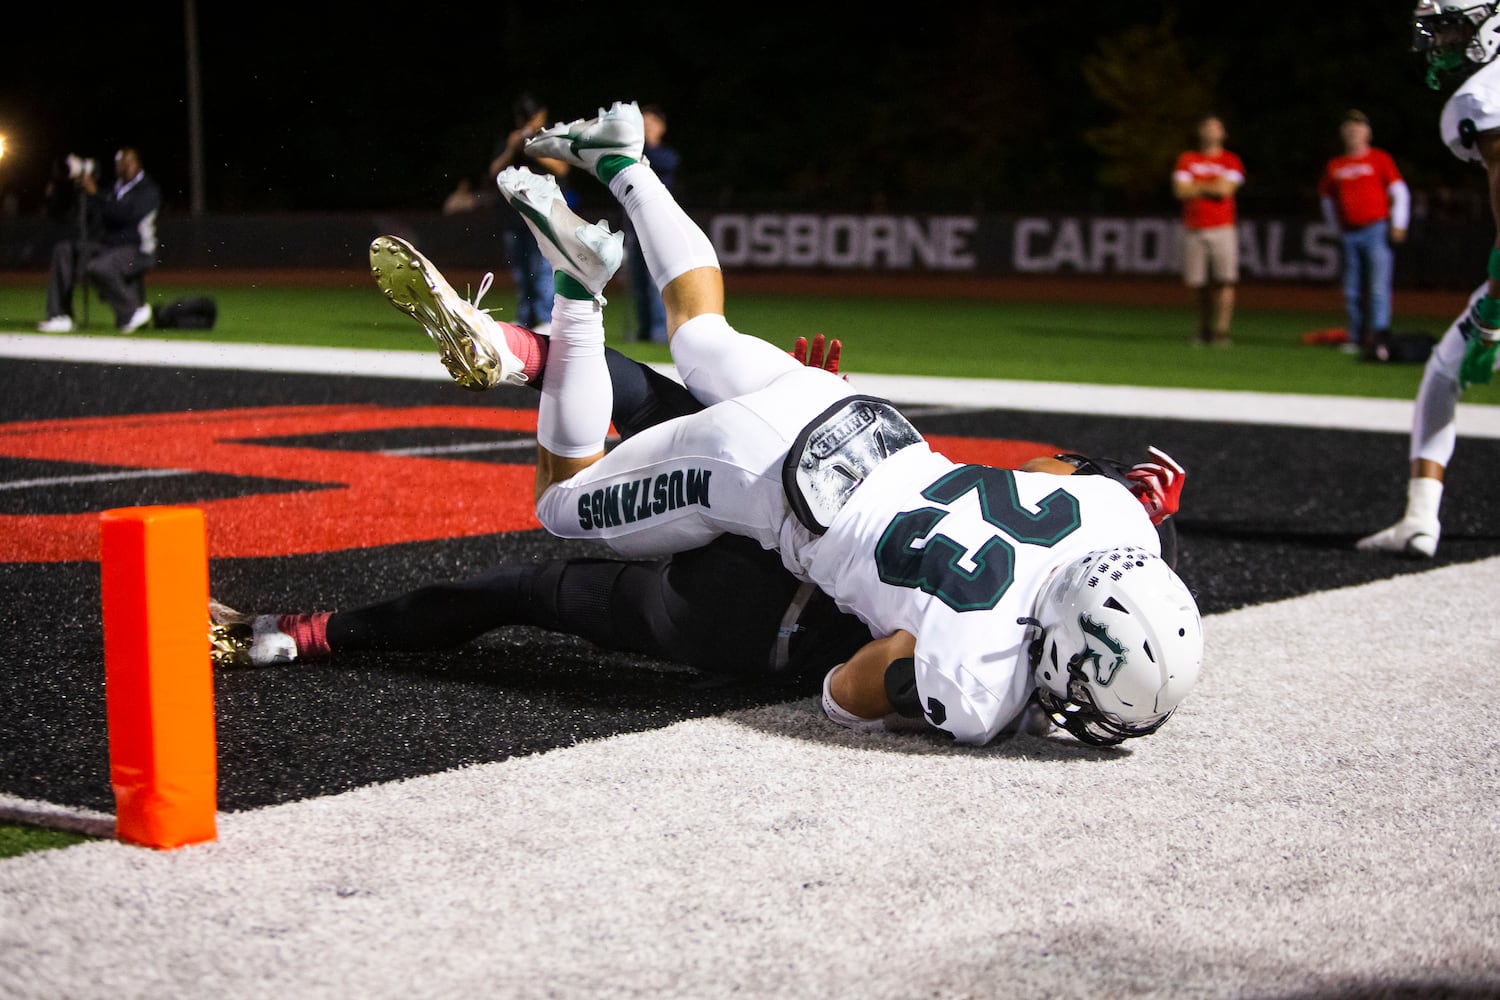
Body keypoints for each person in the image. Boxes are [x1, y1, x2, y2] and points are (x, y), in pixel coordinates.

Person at [365, 100, 1203, 748]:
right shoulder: (977, 680)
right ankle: (579, 293)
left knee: (701, 334)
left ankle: (625, 161)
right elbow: (845, 695)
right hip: (776, 479)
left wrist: (1129, 499)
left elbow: (1057, 466)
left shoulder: (1112, 513)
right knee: (560, 503)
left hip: (864, 423)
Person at [1357, 1, 1500, 558]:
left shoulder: (1482, 97)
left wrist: (1493, 309)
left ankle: (1420, 520)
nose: (1436, 41)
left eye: (1447, 27)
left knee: (1443, 374)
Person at [1318, 109, 1411, 358]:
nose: (1353, 133)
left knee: (1378, 287)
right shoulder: (1336, 165)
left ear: (1367, 132)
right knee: (1352, 289)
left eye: (1358, 128)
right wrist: (1334, 227)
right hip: (1348, 233)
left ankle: (1379, 335)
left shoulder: (1379, 159)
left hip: (1376, 229)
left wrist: (1399, 223)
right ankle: (1357, 336)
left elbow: (1399, 191)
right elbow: (1327, 199)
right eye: (1349, 128)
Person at [37, 147, 160, 334]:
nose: (126, 167)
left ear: (138, 164)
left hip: (137, 249)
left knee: (99, 267)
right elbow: (95, 217)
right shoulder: (114, 188)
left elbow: (124, 215)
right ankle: (60, 315)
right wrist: (83, 193)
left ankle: (132, 310)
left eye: (129, 162)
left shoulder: (148, 190)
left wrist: (95, 194)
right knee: (65, 249)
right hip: (109, 246)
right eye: (121, 163)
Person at [487, 93, 572, 334]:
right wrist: (512, 148)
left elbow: (563, 169)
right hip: (514, 215)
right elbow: (493, 171)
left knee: (543, 270)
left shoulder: (549, 138)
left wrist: (533, 148)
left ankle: (545, 318)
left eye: (532, 116)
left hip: (543, 215)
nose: (528, 121)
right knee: (522, 272)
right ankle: (525, 318)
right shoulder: (510, 140)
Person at [1172, 115, 1245, 348]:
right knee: (1198, 283)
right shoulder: (1187, 158)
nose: (1211, 131)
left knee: (1225, 281)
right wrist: (1210, 186)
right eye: (1207, 127)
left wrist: (1197, 185)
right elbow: (1180, 191)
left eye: (1216, 127)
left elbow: (1225, 190)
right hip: (1194, 228)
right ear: (1199, 131)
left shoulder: (1231, 160)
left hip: (1222, 227)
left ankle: (1221, 332)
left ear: (1223, 134)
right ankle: (1203, 330)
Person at [625, 104, 679, 343]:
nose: (646, 129)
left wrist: (641, 143)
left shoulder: (666, 156)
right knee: (637, 281)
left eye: (651, 124)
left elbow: (659, 162)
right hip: (635, 226)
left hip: (658, 227)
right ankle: (645, 329)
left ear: (662, 127)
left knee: (654, 281)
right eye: (642, 125)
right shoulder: (631, 156)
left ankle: (659, 329)